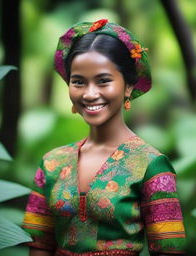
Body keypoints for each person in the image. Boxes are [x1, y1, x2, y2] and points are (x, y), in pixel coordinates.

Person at [22, 19, 186, 256]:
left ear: (128, 86)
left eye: (103, 81)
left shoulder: (151, 165)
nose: (89, 94)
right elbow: (38, 244)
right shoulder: (51, 163)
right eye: (78, 81)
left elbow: (170, 250)